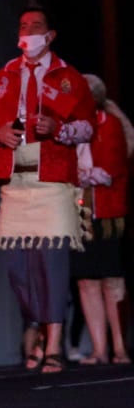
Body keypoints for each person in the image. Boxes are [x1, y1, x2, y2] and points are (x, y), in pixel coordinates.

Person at [0, 6, 95, 374]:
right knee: (18, 270)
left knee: (52, 266)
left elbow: (88, 127)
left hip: (53, 182)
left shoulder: (68, 78)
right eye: (24, 26)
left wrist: (58, 128)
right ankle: (41, 325)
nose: (28, 32)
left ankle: (53, 344)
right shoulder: (4, 76)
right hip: (15, 181)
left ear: (51, 35)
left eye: (36, 27)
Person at [70, 73, 131, 365]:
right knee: (86, 281)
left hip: (106, 212)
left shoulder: (112, 125)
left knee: (112, 280)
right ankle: (98, 349)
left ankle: (120, 347)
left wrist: (85, 175)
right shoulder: (72, 130)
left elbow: (110, 168)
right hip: (80, 214)